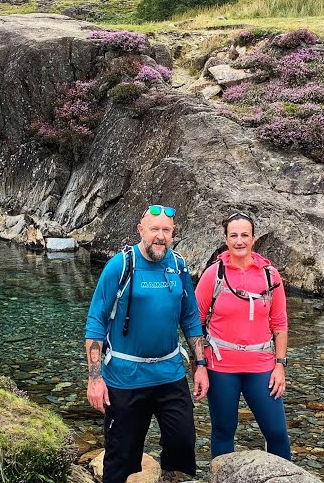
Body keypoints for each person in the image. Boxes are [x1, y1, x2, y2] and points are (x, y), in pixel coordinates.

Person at [85, 205, 209, 483]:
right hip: (125, 379)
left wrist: (200, 365)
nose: (160, 236)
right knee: (121, 455)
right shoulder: (120, 265)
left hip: (170, 375)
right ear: (141, 230)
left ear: (173, 233)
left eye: (166, 230)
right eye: (154, 229)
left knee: (182, 443)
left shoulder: (179, 266)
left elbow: (190, 319)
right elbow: (96, 322)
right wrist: (95, 378)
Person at [195, 211, 291, 461]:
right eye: (234, 235)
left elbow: (279, 322)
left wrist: (280, 366)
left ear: (253, 238)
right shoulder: (212, 275)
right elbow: (195, 321)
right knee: (224, 431)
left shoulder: (270, 275)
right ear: (226, 239)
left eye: (245, 235)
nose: (239, 241)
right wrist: (200, 366)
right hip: (220, 367)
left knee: (277, 432)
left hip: (261, 366)